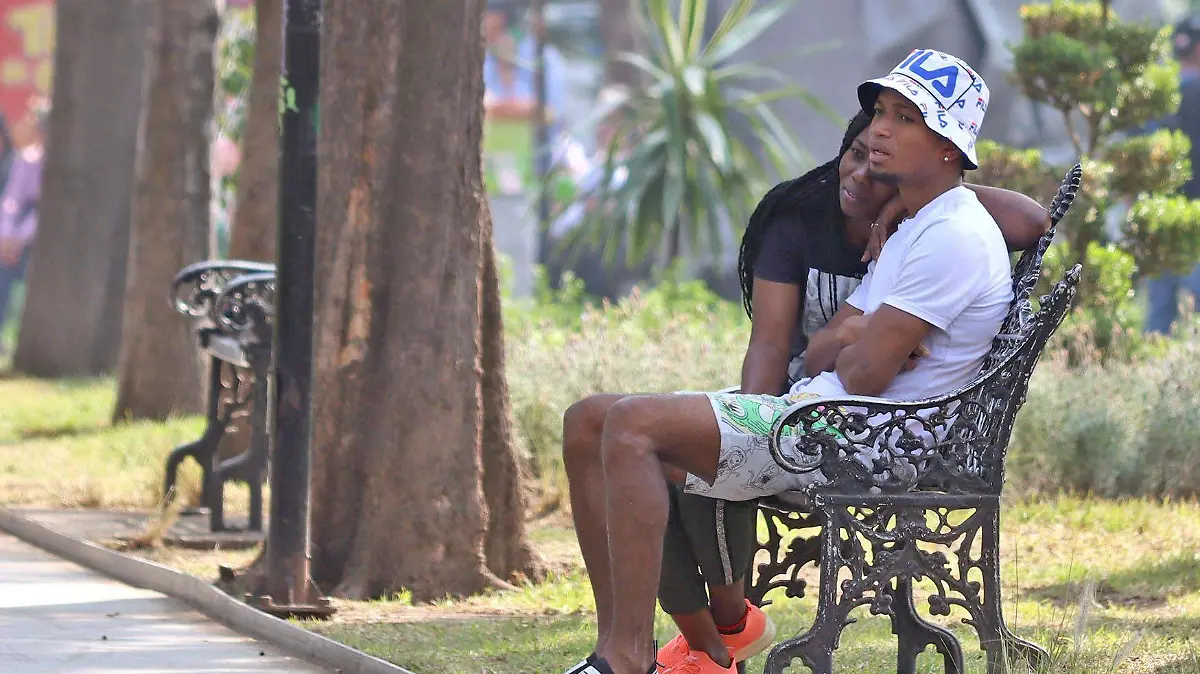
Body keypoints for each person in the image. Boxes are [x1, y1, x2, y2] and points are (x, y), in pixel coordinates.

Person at [560, 49, 1010, 674]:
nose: (881, 129)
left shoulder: (954, 235)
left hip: (860, 440)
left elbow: (863, 373)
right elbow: (825, 346)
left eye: (905, 119)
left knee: (634, 425)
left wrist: (856, 342)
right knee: (588, 420)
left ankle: (627, 661)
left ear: (948, 148)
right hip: (819, 415)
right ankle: (614, 646)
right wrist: (861, 333)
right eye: (881, 112)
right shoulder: (915, 225)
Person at [653, 109, 1050, 671]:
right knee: (679, 447)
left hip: (861, 429)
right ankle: (718, 637)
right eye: (856, 153)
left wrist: (917, 194)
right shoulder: (802, 221)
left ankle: (720, 639)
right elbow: (779, 346)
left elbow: (1033, 221)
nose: (864, 171)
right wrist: (753, 410)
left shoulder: (933, 231)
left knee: (668, 444)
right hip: (813, 402)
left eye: (881, 160)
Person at [1144, 16, 1200, 335]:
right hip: (1194, 213)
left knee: (1159, 308)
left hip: (1156, 214)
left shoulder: (1156, 95)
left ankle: (1153, 358)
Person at [0, 99, 46, 346]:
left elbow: (42, 211)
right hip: (12, 240)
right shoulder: (26, 160)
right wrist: (6, 235)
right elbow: (12, 200)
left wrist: (21, 238)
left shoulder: (54, 168)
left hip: (36, 241)